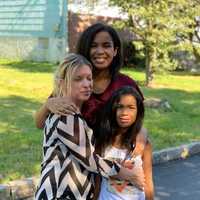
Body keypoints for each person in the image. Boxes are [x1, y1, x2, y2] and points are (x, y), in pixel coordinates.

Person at [35, 54, 145, 200]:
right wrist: (126, 173)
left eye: (89, 78)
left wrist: (141, 131)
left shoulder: (73, 114)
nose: (87, 84)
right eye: (78, 79)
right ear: (62, 83)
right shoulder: (65, 116)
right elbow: (91, 160)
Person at [34, 23, 147, 155]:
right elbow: (39, 124)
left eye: (106, 45)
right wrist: (48, 105)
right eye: (93, 46)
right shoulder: (73, 82)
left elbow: (137, 119)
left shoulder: (126, 84)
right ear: (86, 49)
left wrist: (141, 131)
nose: (100, 51)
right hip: (79, 161)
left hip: (113, 160)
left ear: (115, 50)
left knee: (147, 147)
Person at [96, 86, 154, 200]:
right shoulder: (103, 140)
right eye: (120, 107)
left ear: (138, 111)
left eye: (131, 107)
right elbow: (97, 177)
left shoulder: (144, 145)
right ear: (113, 110)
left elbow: (148, 183)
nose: (124, 113)